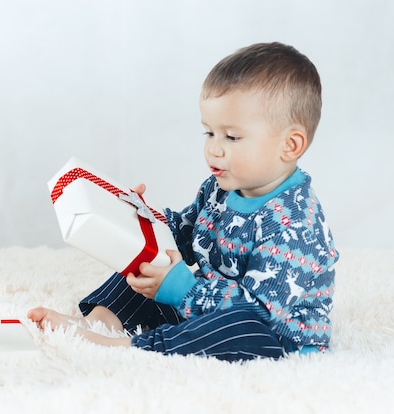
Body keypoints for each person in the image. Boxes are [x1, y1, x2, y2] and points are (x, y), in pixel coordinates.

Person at [28, 42, 339, 361]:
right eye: (209, 133)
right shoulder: (221, 186)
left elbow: (261, 311)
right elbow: (186, 232)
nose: (214, 150)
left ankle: (125, 347)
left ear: (290, 145)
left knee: (244, 328)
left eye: (231, 137)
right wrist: (141, 219)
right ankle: (99, 322)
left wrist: (184, 289)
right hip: (206, 302)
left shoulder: (295, 225)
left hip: (272, 335)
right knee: (152, 260)